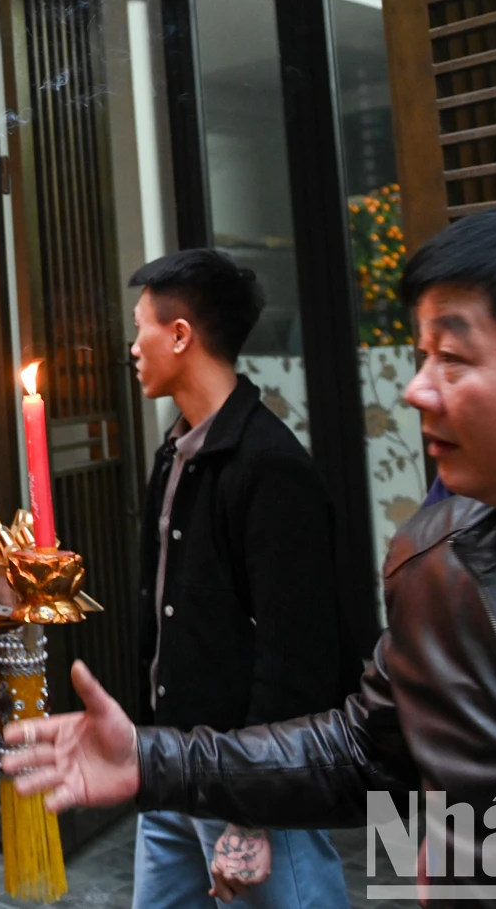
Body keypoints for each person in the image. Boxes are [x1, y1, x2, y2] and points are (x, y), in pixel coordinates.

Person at [3, 200, 496, 902]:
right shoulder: (436, 562)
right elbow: (364, 751)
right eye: (420, 355)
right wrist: (156, 758)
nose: (416, 390)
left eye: (455, 359)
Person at [122, 249, 350, 908]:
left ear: (181, 334)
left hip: (249, 779)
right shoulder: (176, 452)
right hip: (170, 762)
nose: (132, 346)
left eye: (141, 326)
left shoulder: (270, 465)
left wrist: (251, 809)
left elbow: (298, 654)